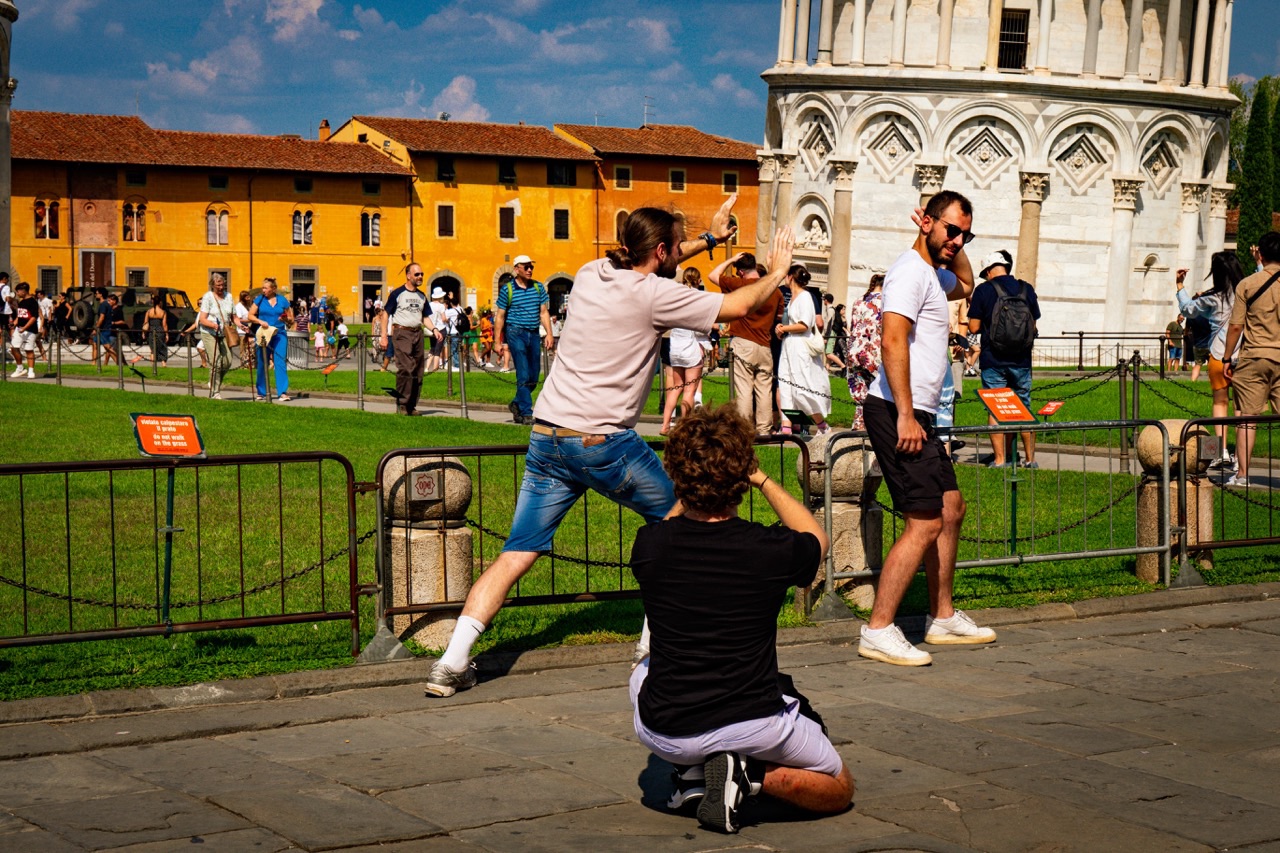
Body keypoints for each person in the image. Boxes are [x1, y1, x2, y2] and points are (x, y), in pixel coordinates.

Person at [424, 198, 796, 697]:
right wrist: (780, 269)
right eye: (674, 248)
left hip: (548, 434)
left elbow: (657, 253)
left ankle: (452, 661)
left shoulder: (592, 269)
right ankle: (653, 644)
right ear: (662, 251)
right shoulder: (655, 295)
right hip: (603, 441)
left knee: (517, 552)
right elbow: (742, 305)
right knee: (682, 523)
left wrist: (708, 241)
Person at [629, 405, 853, 834]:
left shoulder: (650, 547)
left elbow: (670, 524)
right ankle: (749, 775)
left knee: (642, 667)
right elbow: (817, 539)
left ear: (678, 473)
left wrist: (693, 484)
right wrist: (762, 478)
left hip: (665, 728)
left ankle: (696, 772)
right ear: (740, 474)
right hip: (753, 724)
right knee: (839, 786)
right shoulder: (768, 550)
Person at [858, 191, 994, 667]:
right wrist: (905, 415)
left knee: (951, 507)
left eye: (965, 233)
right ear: (927, 223)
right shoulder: (908, 273)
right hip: (898, 411)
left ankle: (942, 616)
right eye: (950, 230)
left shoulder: (935, 274)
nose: (957, 240)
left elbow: (967, 283)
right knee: (924, 520)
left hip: (921, 414)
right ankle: (877, 629)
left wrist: (954, 246)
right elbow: (892, 339)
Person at [967, 248, 1041, 468]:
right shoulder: (1026, 288)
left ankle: (1001, 460)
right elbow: (1033, 324)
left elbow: (974, 326)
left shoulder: (984, 290)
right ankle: (1029, 460)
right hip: (1022, 361)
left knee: (997, 407)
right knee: (1024, 408)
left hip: (994, 360)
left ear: (989, 270)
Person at [1223, 232, 1280, 488]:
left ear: (1261, 254)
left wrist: (1227, 358)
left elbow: (1236, 326)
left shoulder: (1247, 284)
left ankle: (1243, 474)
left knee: (1247, 418)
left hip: (1254, 355)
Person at [1177, 251, 1243, 471]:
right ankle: (1241, 457)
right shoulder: (1247, 292)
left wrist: (1179, 286)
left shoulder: (1212, 297)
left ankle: (1221, 452)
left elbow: (1187, 309)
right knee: (1242, 408)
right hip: (1244, 356)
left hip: (1218, 355)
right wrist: (1260, 265)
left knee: (1220, 404)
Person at [710, 253, 783, 436]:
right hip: (765, 345)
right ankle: (765, 429)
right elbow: (779, 318)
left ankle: (745, 430)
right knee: (764, 390)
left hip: (743, 342)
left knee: (744, 389)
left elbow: (713, 275)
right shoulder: (776, 291)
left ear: (741, 272)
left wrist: (730, 259)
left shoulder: (740, 285)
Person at [495, 254, 554, 425]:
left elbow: (543, 312)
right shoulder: (508, 289)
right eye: (526, 267)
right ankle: (527, 412)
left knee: (534, 376)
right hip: (515, 332)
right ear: (516, 269)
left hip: (534, 333)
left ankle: (516, 404)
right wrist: (497, 341)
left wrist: (549, 333)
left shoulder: (538, 287)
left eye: (531, 267)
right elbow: (500, 316)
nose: (529, 270)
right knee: (523, 373)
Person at [380, 263, 443, 416]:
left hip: (418, 333)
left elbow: (425, 317)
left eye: (421, 274)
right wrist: (383, 336)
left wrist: (434, 329)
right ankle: (402, 404)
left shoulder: (422, 296)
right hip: (402, 333)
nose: (420, 277)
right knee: (406, 368)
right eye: (417, 274)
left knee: (418, 371)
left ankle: (411, 405)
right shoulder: (397, 294)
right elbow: (386, 314)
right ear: (408, 275)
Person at [775, 264, 831, 435]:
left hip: (800, 347)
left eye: (786, 275)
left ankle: (822, 426)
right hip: (790, 345)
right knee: (785, 384)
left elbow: (805, 324)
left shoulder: (805, 296)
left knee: (802, 385)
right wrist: (782, 329)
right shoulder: (793, 297)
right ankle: (786, 426)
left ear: (791, 277)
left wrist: (784, 329)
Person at [660, 268, 713, 434]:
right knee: (689, 390)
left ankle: (665, 425)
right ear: (698, 281)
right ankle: (684, 426)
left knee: (676, 388)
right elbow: (699, 327)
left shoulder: (676, 297)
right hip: (691, 348)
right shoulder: (697, 298)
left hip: (676, 347)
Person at [846, 274, 885, 430]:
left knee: (860, 392)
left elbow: (853, 326)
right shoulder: (886, 302)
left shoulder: (858, 301)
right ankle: (875, 427)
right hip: (875, 351)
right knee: (878, 392)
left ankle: (859, 424)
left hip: (855, 351)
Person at [247, 277, 294, 402]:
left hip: (279, 334)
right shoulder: (259, 300)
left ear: (273, 289)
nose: (263, 290)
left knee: (280, 362)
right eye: (263, 287)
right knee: (262, 362)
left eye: (266, 288)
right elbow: (250, 315)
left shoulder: (282, 300)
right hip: (264, 333)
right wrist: (260, 321)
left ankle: (282, 392)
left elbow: (291, 319)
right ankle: (261, 392)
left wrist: (285, 319)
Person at [198, 273, 235, 399]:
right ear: (212, 285)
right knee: (216, 362)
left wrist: (242, 325)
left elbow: (234, 317)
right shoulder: (208, 297)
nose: (221, 287)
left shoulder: (229, 296)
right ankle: (215, 392)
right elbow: (202, 319)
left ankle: (213, 380)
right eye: (218, 285)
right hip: (209, 332)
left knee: (228, 361)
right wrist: (213, 325)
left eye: (222, 284)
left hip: (223, 332)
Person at [9, 282, 39, 378]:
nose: (17, 293)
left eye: (18, 291)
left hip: (30, 330)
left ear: (23, 291)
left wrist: (25, 328)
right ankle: (20, 368)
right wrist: (14, 323)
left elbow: (33, 317)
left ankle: (31, 371)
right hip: (19, 329)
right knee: (13, 348)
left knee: (29, 350)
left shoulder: (33, 302)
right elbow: (20, 315)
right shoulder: (21, 302)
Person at [140, 293, 169, 368]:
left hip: (151, 331)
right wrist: (166, 334)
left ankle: (153, 365)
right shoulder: (163, 312)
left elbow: (145, 323)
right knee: (162, 347)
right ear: (160, 302)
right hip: (160, 331)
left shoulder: (149, 312)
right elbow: (164, 325)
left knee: (153, 349)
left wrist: (143, 333)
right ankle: (163, 364)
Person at [426, 287, 447, 372]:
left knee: (432, 348)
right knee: (438, 350)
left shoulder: (429, 305)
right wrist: (447, 320)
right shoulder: (441, 306)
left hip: (431, 329)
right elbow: (443, 318)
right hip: (440, 329)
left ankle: (427, 368)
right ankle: (435, 369)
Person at [233, 290, 255, 369]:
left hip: (249, 330)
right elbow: (239, 319)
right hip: (242, 331)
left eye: (249, 296)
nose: (249, 298)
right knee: (243, 349)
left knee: (249, 348)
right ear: (243, 298)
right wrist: (250, 320)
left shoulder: (248, 306)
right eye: (247, 297)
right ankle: (243, 364)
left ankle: (249, 364)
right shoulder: (239, 306)